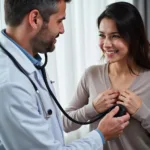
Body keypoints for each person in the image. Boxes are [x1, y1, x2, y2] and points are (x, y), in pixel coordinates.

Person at [0, 0, 130, 150]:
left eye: (115, 35)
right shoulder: (10, 84)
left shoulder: (29, 64)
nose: (62, 30)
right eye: (60, 21)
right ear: (35, 19)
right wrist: (100, 134)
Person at [62, 2, 150, 150]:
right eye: (102, 35)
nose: (106, 44)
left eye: (115, 36)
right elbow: (65, 124)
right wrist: (93, 108)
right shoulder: (91, 75)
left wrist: (142, 112)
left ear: (134, 37)